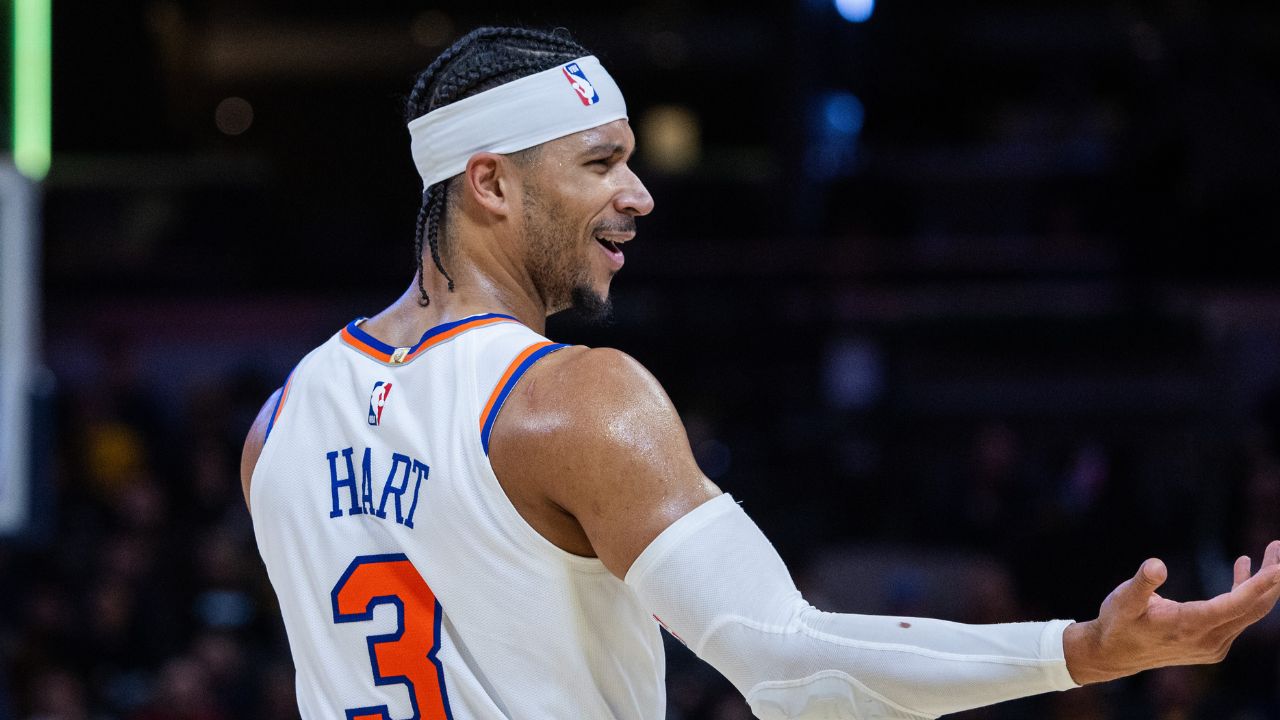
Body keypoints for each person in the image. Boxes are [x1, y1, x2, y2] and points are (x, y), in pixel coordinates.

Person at [240, 25, 1280, 720]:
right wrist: (1076, 652)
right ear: (489, 183)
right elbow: (786, 663)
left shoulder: (278, 422)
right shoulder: (571, 400)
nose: (640, 194)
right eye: (600, 162)